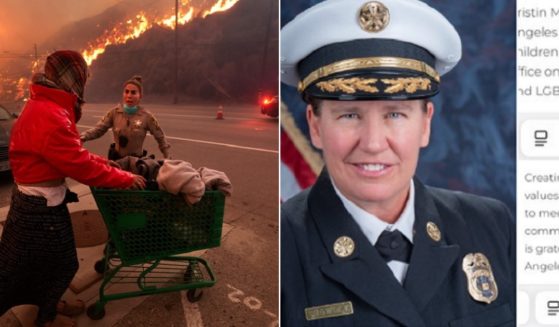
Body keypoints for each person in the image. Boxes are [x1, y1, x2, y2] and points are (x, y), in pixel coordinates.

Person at [280, 0, 515, 326]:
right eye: (349, 115)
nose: (374, 143)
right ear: (315, 126)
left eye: (395, 114)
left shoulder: (492, 227)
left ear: (425, 124)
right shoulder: (281, 247)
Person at [0, 50, 146, 327]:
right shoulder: (52, 115)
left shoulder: (44, 104)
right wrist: (124, 178)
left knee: (35, 265)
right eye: (82, 78)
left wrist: (107, 163)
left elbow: (74, 154)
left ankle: (49, 303)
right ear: (74, 78)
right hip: (39, 210)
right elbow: (80, 166)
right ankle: (47, 317)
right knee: (63, 265)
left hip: (33, 204)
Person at [80, 75, 171, 160]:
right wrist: (83, 137)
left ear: (140, 96)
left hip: (136, 163)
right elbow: (99, 129)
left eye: (133, 93)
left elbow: (160, 137)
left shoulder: (146, 117)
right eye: (126, 92)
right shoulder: (114, 113)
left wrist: (167, 157)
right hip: (117, 161)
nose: (129, 96)